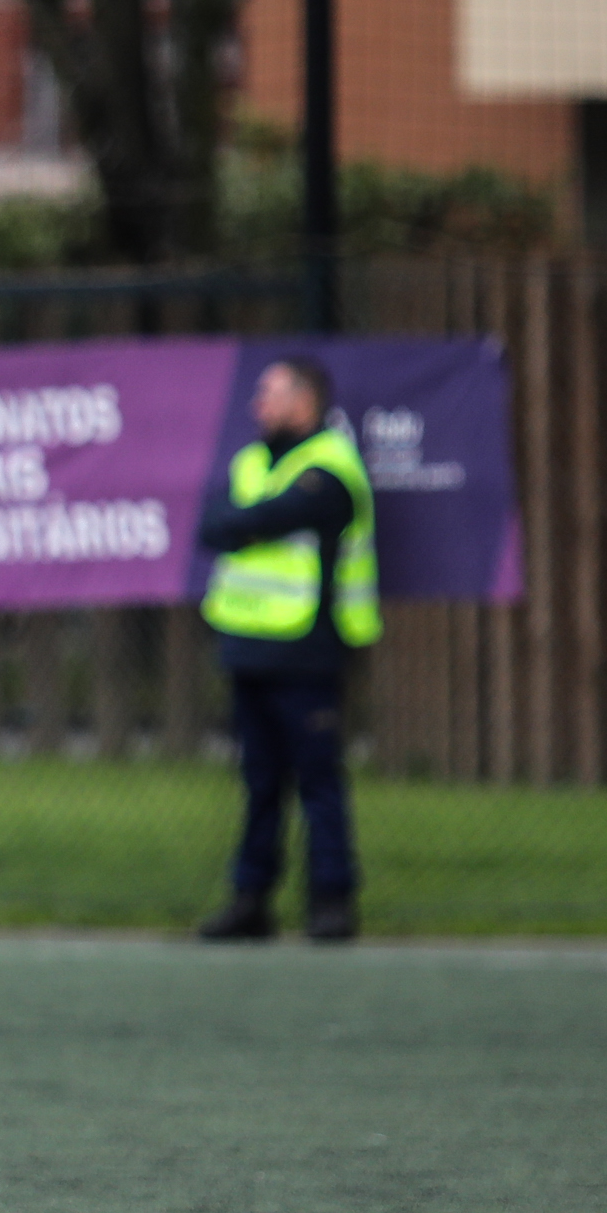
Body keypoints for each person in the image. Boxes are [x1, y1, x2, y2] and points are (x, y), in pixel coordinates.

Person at [194, 355, 380, 943]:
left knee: (319, 780)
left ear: (305, 402)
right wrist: (250, 524)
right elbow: (213, 526)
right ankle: (251, 898)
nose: (258, 405)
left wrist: (246, 524)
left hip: (307, 647)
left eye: (270, 394)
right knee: (259, 781)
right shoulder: (250, 462)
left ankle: (331, 901)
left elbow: (287, 514)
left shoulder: (330, 465)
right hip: (247, 644)